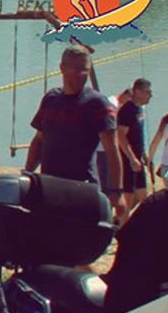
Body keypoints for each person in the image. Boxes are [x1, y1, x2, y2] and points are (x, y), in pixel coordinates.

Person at [25, 45, 123, 194]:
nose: (81, 74)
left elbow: (112, 151)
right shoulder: (51, 99)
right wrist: (28, 173)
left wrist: (116, 191)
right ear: (62, 68)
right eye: (76, 69)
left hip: (82, 187)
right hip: (49, 185)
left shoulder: (97, 103)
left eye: (85, 70)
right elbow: (39, 140)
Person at [112, 78, 152, 219]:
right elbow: (121, 136)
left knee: (144, 196)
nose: (150, 95)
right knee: (128, 198)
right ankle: (122, 228)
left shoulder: (139, 109)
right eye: (147, 92)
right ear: (137, 91)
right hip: (128, 161)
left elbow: (138, 135)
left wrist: (144, 155)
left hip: (138, 159)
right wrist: (131, 158)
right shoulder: (127, 110)